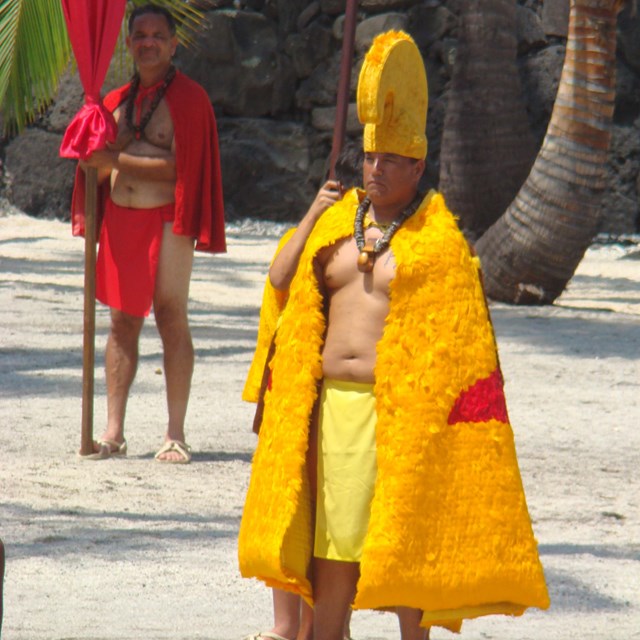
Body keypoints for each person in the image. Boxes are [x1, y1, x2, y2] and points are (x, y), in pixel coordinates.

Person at [238, 30, 549, 640]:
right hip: (329, 410)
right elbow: (281, 282)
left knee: (405, 544)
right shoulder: (333, 222)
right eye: (370, 158)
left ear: (418, 166)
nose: (375, 170)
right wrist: (310, 212)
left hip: (400, 415)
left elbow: (462, 347)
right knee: (330, 554)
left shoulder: (438, 244)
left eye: (390, 161)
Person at [73, 3, 225, 463]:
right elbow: (91, 162)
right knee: (121, 322)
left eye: (158, 35)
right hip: (121, 217)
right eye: (140, 35)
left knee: (169, 314)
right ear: (128, 42)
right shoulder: (114, 101)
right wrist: (89, 152)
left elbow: (181, 167)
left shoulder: (190, 100)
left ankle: (174, 433)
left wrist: (114, 160)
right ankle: (113, 433)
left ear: (174, 43)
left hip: (166, 219)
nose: (149, 42)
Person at [242, 146, 363, 640]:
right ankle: (284, 627)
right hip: (293, 388)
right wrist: (313, 215)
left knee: (327, 519)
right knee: (291, 506)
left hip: (339, 398)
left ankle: (322, 628)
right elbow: (279, 278)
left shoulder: (369, 243)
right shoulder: (309, 235)